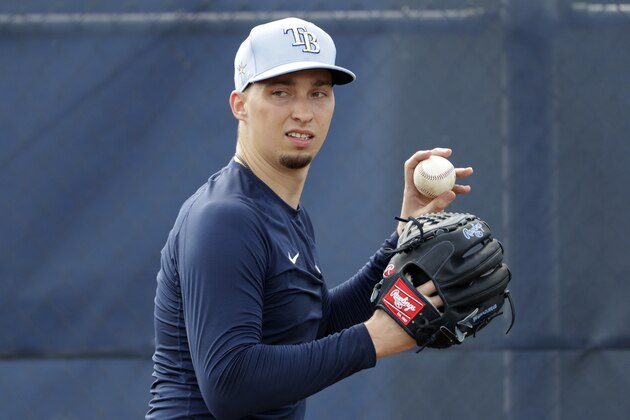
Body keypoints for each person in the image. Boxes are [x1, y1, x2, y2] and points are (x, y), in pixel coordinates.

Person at [147, 17, 473, 419]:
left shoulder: (281, 213)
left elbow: (314, 328)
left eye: (318, 93)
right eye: (281, 92)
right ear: (240, 105)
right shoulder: (225, 219)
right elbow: (229, 384)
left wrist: (402, 237)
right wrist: (374, 339)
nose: (303, 112)